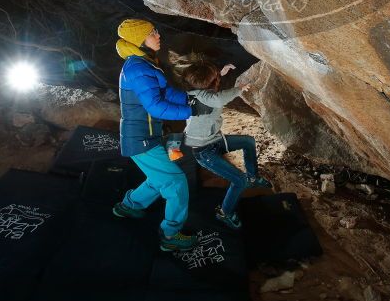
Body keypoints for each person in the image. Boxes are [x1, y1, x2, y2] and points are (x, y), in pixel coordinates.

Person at [112, 19, 210, 252]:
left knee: (159, 178)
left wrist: (189, 99)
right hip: (140, 138)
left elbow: (165, 92)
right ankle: (170, 234)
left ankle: (129, 206)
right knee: (176, 183)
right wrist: (192, 110)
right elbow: (155, 107)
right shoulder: (138, 68)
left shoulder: (144, 64)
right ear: (140, 40)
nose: (158, 36)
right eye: (152, 33)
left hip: (146, 135)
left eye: (156, 31)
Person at [170, 52, 272, 230]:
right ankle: (225, 212)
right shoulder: (204, 98)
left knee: (248, 142)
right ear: (206, 83)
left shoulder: (196, 90)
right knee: (239, 181)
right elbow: (218, 98)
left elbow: (210, 89)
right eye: (213, 76)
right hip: (204, 151)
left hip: (214, 139)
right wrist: (239, 88)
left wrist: (221, 73)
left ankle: (254, 177)